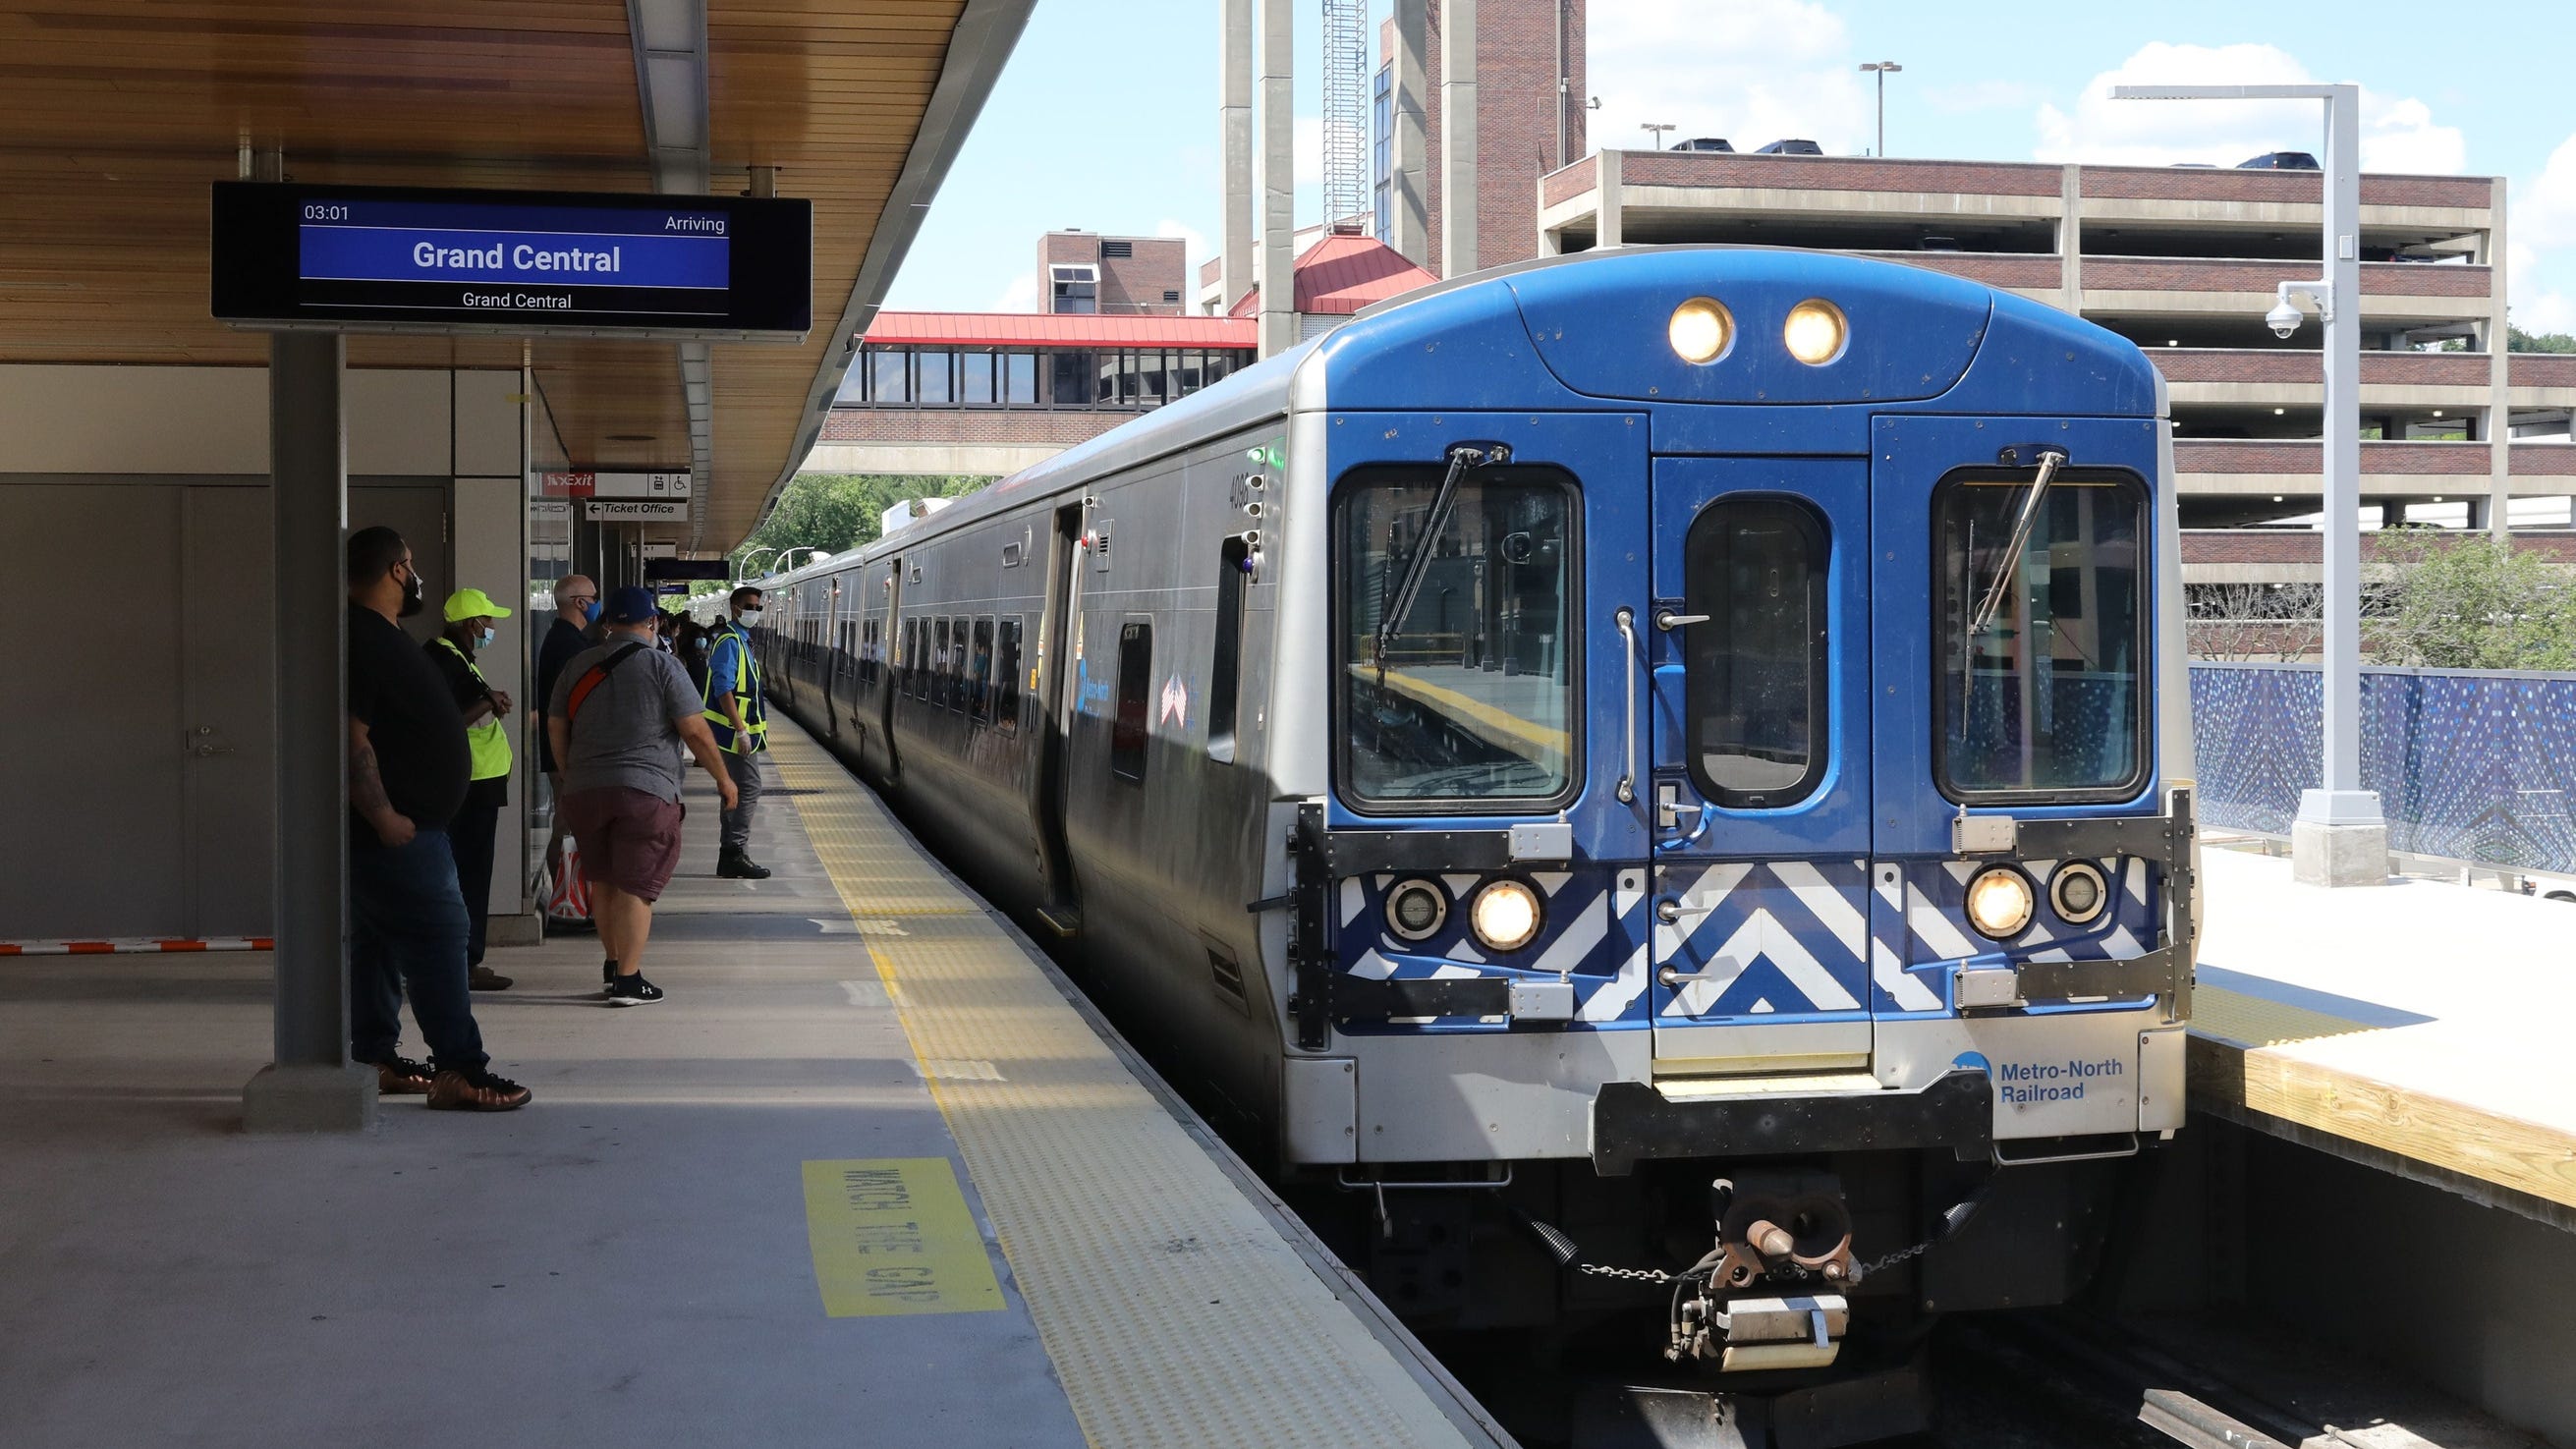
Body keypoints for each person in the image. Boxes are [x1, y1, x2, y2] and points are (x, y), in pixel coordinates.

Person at [345, 527, 531, 1110]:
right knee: (440, 938)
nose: (417, 575)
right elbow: (351, 740)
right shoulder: (362, 638)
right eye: (413, 565)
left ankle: (375, 1058)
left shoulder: (384, 636)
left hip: (410, 828)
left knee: (374, 943)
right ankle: (461, 1069)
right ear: (398, 570)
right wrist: (383, 817)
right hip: (402, 832)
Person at [548, 586, 739, 1006]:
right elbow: (695, 731)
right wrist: (724, 780)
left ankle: (613, 965)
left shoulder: (577, 665)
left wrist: (570, 773)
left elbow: (556, 726)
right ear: (652, 623)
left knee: (602, 882)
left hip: (585, 790)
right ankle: (629, 981)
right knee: (635, 886)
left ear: (607, 622)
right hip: (645, 792)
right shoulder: (664, 666)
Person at [427, 587, 516, 992]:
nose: (492, 628)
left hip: (477, 782)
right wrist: (489, 701)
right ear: (470, 624)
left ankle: (463, 959)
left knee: (466, 873)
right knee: (470, 874)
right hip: (471, 784)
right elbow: (449, 719)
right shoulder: (445, 660)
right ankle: (463, 961)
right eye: (488, 621)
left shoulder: (455, 657)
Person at [534, 575, 598, 902]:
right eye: (594, 597)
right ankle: (566, 902)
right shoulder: (568, 646)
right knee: (568, 826)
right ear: (580, 603)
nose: (597, 603)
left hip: (565, 752)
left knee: (569, 823)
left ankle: (568, 897)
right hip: (566, 754)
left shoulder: (561, 639)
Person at [702, 585, 772, 879]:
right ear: (734, 608)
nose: (754, 612)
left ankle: (728, 854)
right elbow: (723, 689)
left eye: (758, 607)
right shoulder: (730, 642)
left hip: (734, 734)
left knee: (733, 790)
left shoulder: (740, 641)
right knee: (749, 788)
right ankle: (734, 851)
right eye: (749, 606)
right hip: (732, 735)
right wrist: (741, 729)